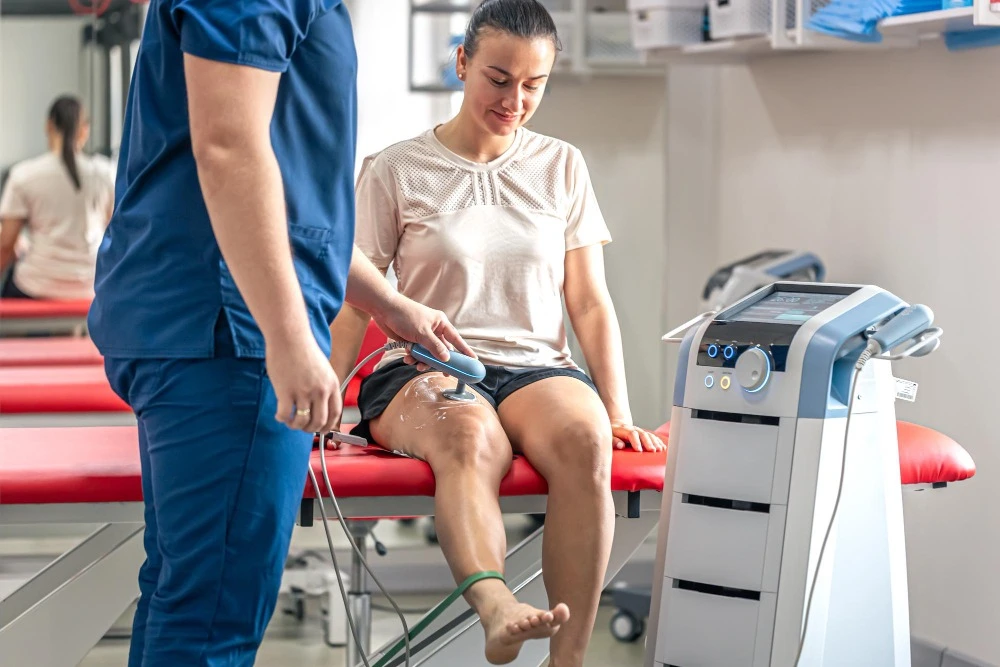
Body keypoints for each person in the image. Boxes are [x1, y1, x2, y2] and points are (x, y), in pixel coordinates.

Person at [86, 2, 471, 665]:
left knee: (189, 597)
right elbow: (229, 147)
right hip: (228, 331)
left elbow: (286, 196)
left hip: (214, 320)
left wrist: (388, 304)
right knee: (212, 617)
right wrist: (287, 338)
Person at [328, 1, 666, 665]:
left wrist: (618, 409)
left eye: (533, 84)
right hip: (426, 365)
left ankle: (566, 658)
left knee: (585, 438)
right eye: (499, 78)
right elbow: (355, 299)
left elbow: (590, 302)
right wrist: (328, 393)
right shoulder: (395, 169)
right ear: (461, 63)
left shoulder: (562, 165)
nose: (515, 99)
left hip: (537, 365)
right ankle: (497, 606)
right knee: (467, 435)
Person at [0, 95, 114, 300]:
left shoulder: (24, 174)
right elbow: (116, 232)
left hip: (36, 286)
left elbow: (6, 246)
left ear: (48, 126)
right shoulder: (106, 174)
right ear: (84, 131)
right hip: (91, 286)